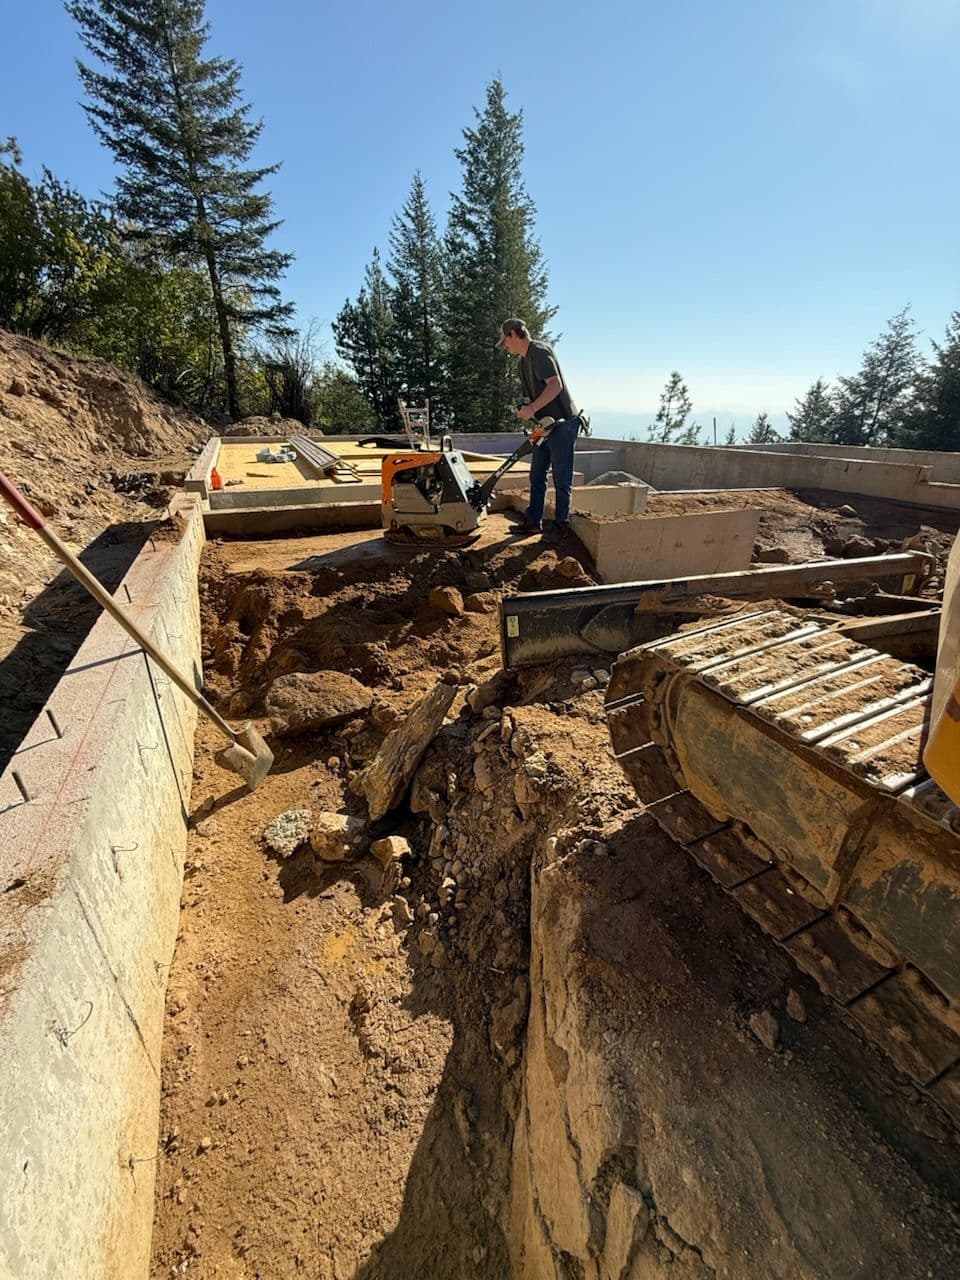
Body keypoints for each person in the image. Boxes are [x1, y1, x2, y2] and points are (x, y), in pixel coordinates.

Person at [496, 318, 582, 538]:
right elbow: (532, 396)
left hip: (562, 423)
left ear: (514, 334)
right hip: (545, 426)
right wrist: (526, 408)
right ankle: (533, 521)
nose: (505, 346)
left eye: (505, 340)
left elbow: (555, 385)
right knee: (537, 474)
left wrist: (532, 408)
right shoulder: (522, 363)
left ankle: (561, 526)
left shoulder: (540, 352)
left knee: (562, 478)